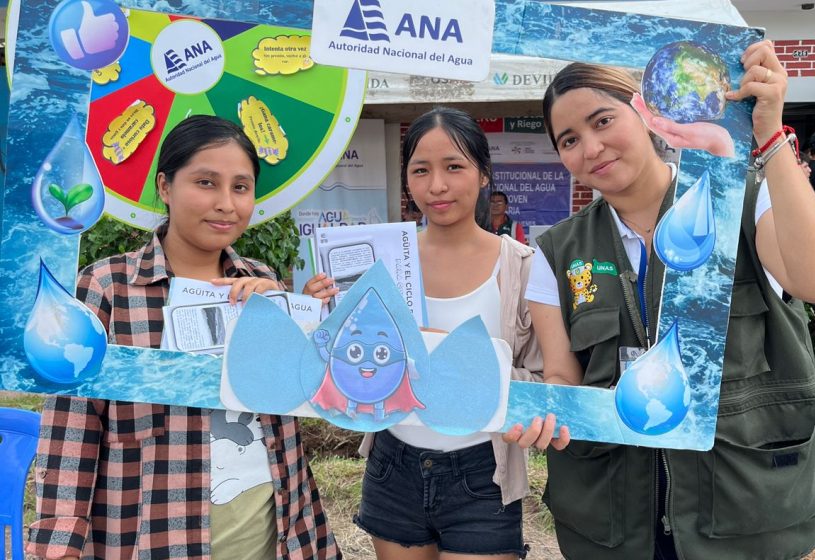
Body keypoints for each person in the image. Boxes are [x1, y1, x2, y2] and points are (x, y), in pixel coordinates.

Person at [518, 41, 815, 559]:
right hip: (615, 522)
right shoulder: (557, 253)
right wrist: (546, 413)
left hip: (743, 512)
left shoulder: (736, 200)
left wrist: (768, 137)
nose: (591, 148)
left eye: (603, 121)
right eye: (570, 139)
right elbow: (562, 376)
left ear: (643, 110)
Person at [27, 115, 340, 560]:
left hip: (268, 533)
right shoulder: (107, 287)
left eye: (241, 187)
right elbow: (72, 427)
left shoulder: (263, 281)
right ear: (165, 187)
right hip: (151, 532)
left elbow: (297, 397)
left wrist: (297, 318)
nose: (226, 204)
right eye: (206, 182)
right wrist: (60, 544)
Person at [334, 107, 543, 560]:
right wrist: (326, 311)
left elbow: (545, 379)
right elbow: (348, 364)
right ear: (407, 179)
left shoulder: (521, 265)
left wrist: (455, 359)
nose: (438, 186)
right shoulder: (382, 260)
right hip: (394, 462)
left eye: (454, 167)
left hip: (482, 471)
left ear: (484, 174)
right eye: (421, 170)